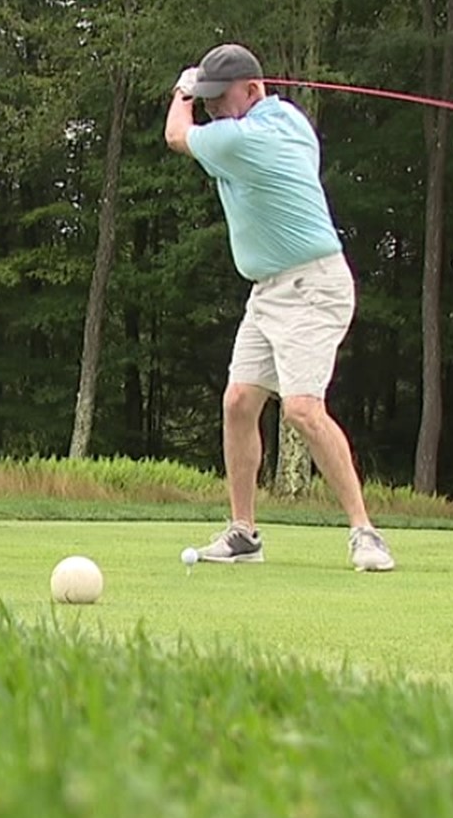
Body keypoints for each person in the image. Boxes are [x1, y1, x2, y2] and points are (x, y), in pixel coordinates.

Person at [163, 44, 396, 572]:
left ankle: (366, 533)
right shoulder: (289, 119)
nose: (213, 108)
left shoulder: (244, 137)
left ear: (252, 90)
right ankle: (243, 534)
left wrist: (181, 91)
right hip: (269, 289)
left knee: (301, 410)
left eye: (218, 99)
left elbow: (177, 135)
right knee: (240, 401)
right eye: (206, 99)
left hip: (313, 285)